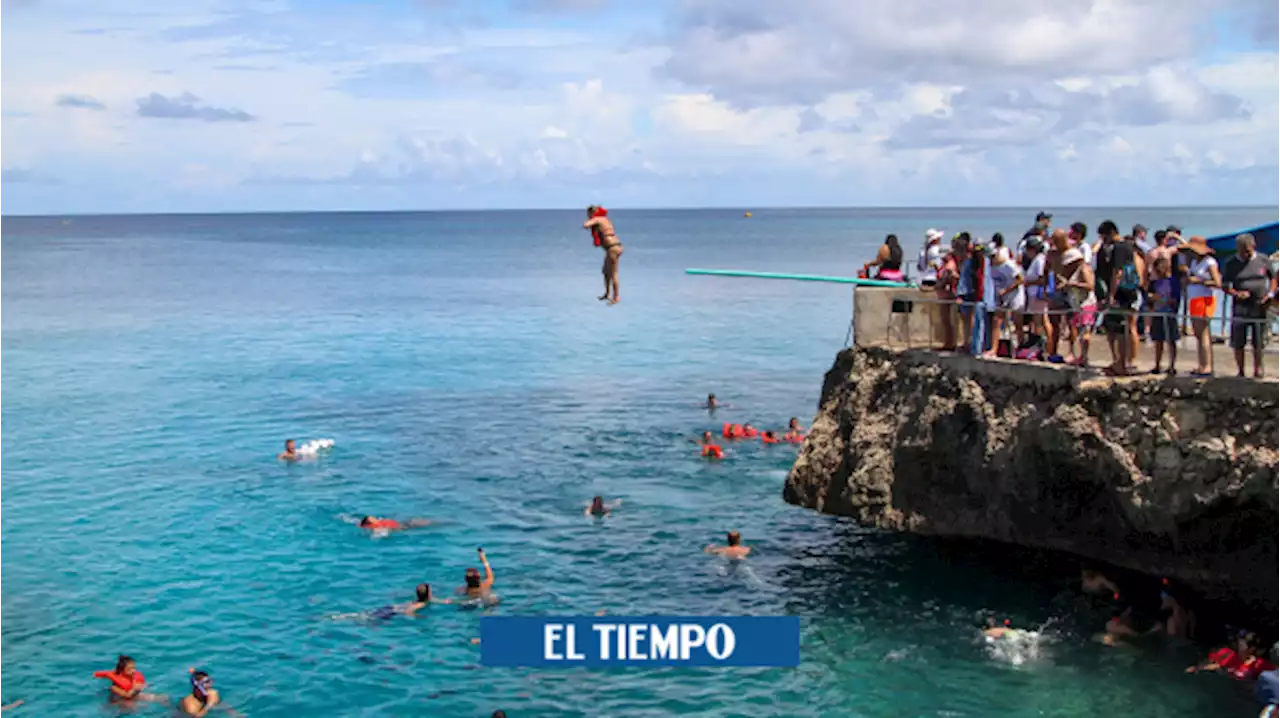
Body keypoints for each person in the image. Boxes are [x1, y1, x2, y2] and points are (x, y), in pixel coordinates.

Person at [1222, 233, 1276, 378]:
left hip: (1260, 305)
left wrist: (1270, 294)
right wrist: (1235, 293)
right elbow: (1225, 285)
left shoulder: (1263, 259)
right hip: (1240, 306)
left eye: (1247, 250)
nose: (1245, 254)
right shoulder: (1231, 263)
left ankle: (1258, 368)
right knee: (1238, 340)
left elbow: (1273, 279)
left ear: (1254, 246)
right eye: (1241, 251)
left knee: (1258, 340)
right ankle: (1240, 370)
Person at [1102, 223, 1145, 376]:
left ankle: (1125, 361)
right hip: (1131, 291)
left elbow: (1117, 272)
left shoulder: (1119, 248)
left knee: (1124, 328)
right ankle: (1123, 361)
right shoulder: (1130, 249)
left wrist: (1111, 294)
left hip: (1124, 293)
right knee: (1123, 327)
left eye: (1104, 236)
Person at [1185, 236, 1221, 377]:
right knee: (1197, 333)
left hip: (1205, 299)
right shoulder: (1194, 261)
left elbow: (1217, 283)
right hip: (1194, 299)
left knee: (1204, 332)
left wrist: (1198, 281)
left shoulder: (1210, 262)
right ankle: (1201, 364)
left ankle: (1207, 366)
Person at [986, 246, 1025, 357]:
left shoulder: (1009, 265)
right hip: (1000, 297)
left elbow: (1020, 279)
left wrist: (1007, 290)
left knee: (1018, 322)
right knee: (997, 320)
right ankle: (994, 349)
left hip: (1014, 295)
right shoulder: (992, 267)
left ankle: (1020, 349)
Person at [1187, 631, 1274, 680]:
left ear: (1252, 649)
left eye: (1242, 643)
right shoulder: (1225, 653)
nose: (1239, 645)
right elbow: (1209, 663)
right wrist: (1197, 668)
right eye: (1239, 642)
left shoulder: (1259, 665)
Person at [1061, 248, 1097, 367]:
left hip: (1086, 305)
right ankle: (1081, 356)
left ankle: (1084, 356)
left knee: (1085, 332)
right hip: (1077, 305)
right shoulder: (1076, 271)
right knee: (1079, 331)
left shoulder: (1084, 269)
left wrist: (1073, 284)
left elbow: (1090, 285)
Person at [1148, 253, 1180, 375]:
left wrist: (1160, 299)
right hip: (1157, 313)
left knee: (1171, 340)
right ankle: (1157, 364)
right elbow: (1149, 297)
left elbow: (1175, 299)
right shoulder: (1155, 283)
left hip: (1169, 313)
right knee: (1158, 340)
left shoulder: (1173, 282)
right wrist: (1152, 299)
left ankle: (1172, 365)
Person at [585, 205, 622, 305]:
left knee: (613, 273)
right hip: (613, 248)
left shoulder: (598, 218)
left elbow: (586, 225)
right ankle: (607, 294)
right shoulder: (604, 219)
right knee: (605, 271)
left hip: (613, 248)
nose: (588, 216)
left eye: (588, 214)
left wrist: (589, 223)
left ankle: (616, 297)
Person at [936, 235, 963, 351]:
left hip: (948, 296)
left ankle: (950, 343)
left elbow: (948, 280)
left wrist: (939, 284)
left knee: (948, 321)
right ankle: (948, 342)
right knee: (945, 321)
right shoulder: (946, 264)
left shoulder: (950, 266)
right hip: (944, 295)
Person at [1022, 237, 1050, 345]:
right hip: (1034, 294)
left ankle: (1043, 345)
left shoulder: (1039, 259)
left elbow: (1042, 279)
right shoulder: (1037, 259)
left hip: (1037, 294)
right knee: (1039, 320)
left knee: (1040, 321)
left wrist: (1028, 283)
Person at [358, 515, 432, 532]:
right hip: (404, 527)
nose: (374, 518)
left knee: (420, 521)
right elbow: (382, 533)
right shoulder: (377, 527)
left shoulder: (379, 521)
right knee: (428, 523)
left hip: (404, 523)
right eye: (372, 518)